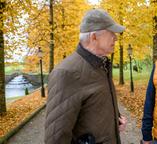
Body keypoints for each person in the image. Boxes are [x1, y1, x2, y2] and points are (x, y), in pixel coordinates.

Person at [45, 9, 127, 144]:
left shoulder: (102, 64)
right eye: (111, 33)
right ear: (94, 37)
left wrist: (115, 122)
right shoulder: (66, 73)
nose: (116, 38)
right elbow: (56, 138)